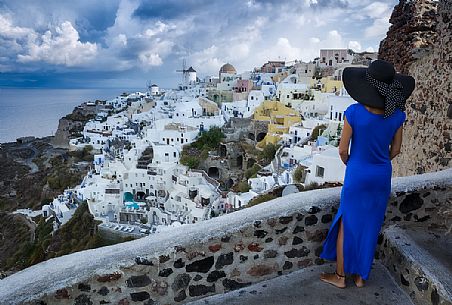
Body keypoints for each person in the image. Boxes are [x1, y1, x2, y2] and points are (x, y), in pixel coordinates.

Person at [318, 59, 415, 288]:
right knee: (371, 225)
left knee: (347, 225)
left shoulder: (354, 112)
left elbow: (342, 150)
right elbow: (397, 149)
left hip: (358, 173)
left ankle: (341, 277)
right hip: (381, 175)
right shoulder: (397, 115)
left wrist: (354, 163)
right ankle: (360, 276)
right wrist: (378, 161)